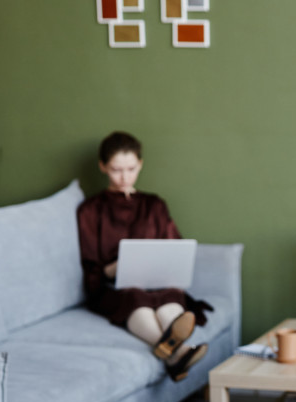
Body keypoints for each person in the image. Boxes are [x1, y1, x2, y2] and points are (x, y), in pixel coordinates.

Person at [77, 131, 213, 382]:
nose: (124, 177)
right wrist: (116, 268)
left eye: (131, 169)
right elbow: (91, 267)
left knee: (171, 294)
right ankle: (178, 352)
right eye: (117, 170)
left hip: (158, 283)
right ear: (103, 166)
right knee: (135, 295)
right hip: (113, 288)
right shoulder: (90, 210)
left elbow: (174, 248)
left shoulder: (154, 205)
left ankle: (172, 353)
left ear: (140, 164)